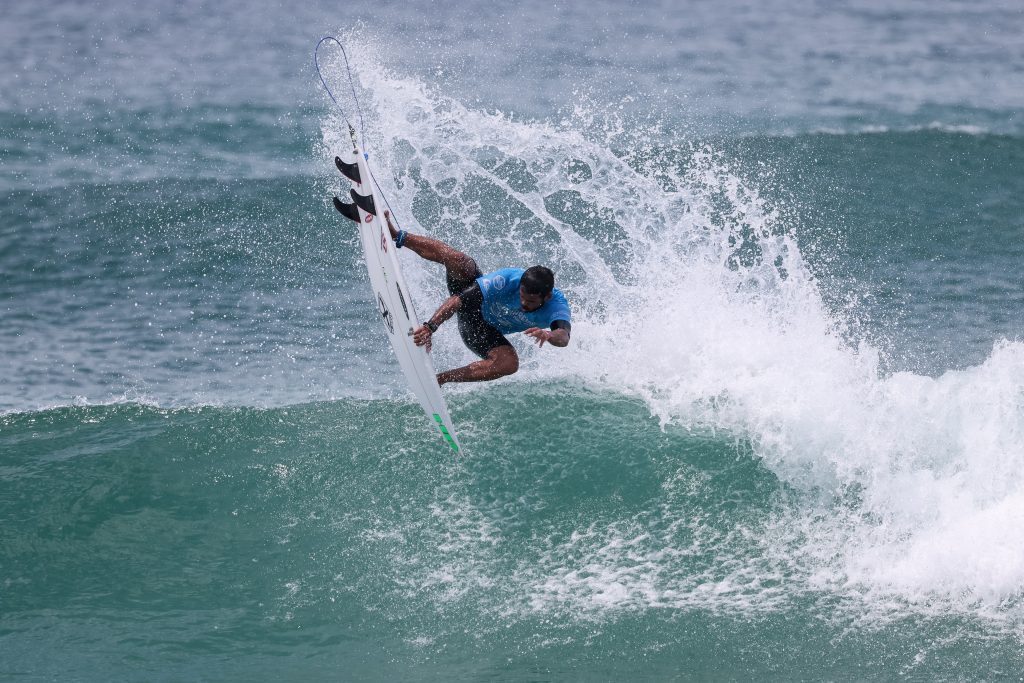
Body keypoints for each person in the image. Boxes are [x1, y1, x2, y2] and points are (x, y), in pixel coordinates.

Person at [384, 212, 571, 385]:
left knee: (509, 364)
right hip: (472, 308)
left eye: (530, 302)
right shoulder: (508, 279)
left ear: (547, 296)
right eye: (522, 297)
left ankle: (440, 379)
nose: (523, 304)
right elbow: (459, 300)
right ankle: (397, 235)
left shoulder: (557, 306)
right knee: (460, 261)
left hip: (480, 330)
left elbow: (563, 337)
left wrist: (548, 335)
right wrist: (429, 327)